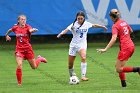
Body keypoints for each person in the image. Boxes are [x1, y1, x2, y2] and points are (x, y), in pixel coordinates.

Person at [57, 11, 107, 82]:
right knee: (70, 64)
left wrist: (102, 26)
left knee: (83, 57)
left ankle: (83, 76)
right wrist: (61, 34)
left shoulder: (86, 24)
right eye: (78, 18)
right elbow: (66, 29)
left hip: (82, 45)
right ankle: (72, 76)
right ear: (76, 18)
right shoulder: (73, 24)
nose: (80, 20)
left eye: (81, 18)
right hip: (73, 45)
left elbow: (94, 25)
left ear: (84, 18)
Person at [97, 9, 140, 87]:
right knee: (120, 67)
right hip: (131, 46)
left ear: (111, 16)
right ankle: (124, 85)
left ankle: (138, 69)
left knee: (118, 69)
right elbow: (131, 31)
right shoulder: (123, 22)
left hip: (126, 48)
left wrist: (105, 49)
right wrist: (125, 37)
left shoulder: (115, 26)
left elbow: (113, 38)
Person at [5, 15, 47, 86]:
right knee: (19, 65)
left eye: (24, 19)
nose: (23, 21)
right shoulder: (15, 27)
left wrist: (33, 30)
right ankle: (19, 84)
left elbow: (30, 30)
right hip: (19, 50)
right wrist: (6, 35)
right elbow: (10, 30)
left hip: (28, 50)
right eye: (22, 19)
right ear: (18, 21)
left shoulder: (28, 27)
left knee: (34, 67)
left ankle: (39, 59)